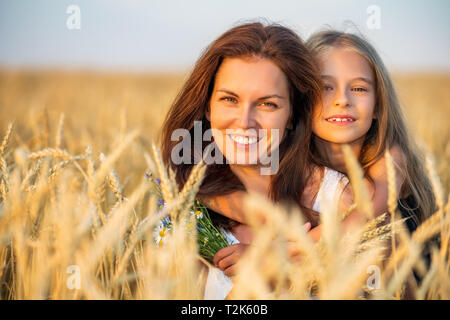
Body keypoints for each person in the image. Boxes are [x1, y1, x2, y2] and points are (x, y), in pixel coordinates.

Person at [208, 30, 437, 291]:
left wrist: (275, 255)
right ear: (302, 99)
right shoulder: (291, 163)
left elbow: (362, 220)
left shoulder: (388, 159)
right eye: (326, 87)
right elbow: (238, 198)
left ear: (378, 106)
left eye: (359, 88)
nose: (342, 100)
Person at [159, 21, 324, 299]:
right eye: (229, 99)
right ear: (208, 107)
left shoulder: (338, 197)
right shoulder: (179, 218)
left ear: (293, 116)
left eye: (267, 104)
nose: (245, 122)